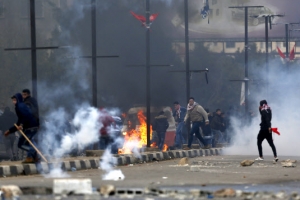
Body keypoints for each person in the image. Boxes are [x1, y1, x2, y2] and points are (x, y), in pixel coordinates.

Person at [4, 93, 39, 163]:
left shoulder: (20, 106)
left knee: (21, 144)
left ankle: (34, 152)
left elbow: (26, 116)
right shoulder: (20, 106)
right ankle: (34, 157)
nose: (13, 101)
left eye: (15, 99)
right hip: (32, 126)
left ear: (18, 99)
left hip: (30, 127)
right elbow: (19, 122)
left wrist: (22, 124)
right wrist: (10, 131)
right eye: (13, 100)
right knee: (27, 143)